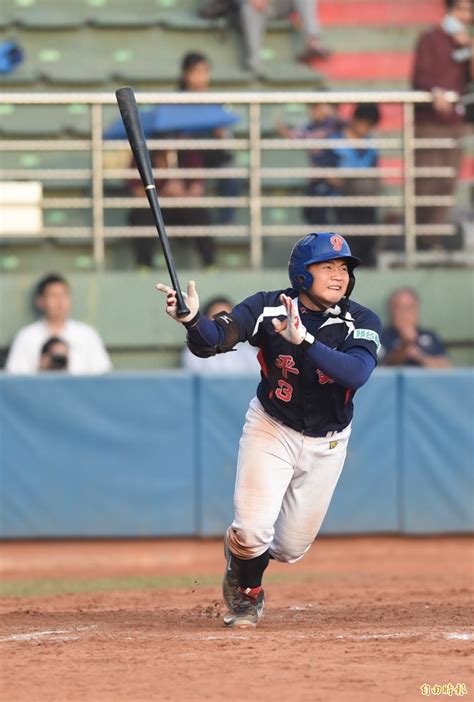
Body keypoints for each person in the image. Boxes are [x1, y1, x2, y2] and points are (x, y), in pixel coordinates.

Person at [157, 231, 382, 627]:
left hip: (327, 442)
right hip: (272, 426)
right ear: (301, 274)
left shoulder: (361, 320)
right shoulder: (269, 307)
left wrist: (306, 340)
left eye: (343, 267)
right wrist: (193, 320)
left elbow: (358, 373)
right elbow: (214, 341)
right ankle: (247, 593)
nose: (338, 275)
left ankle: (242, 558)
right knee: (252, 530)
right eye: (326, 267)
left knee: (290, 547)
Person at [412, 0, 472, 248]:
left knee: (447, 182)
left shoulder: (466, 43)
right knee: (426, 182)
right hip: (429, 122)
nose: (466, 16)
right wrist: (435, 92)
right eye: (462, 10)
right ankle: (417, 238)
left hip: (454, 123)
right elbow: (419, 77)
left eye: (469, 11)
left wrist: (469, 48)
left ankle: (431, 239)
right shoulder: (430, 38)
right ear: (448, 10)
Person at [303, 103, 381, 266]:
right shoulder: (333, 142)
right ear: (355, 120)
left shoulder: (370, 146)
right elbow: (323, 171)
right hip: (338, 200)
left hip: (364, 203)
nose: (366, 128)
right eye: (364, 123)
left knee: (367, 241)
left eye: (370, 125)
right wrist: (349, 186)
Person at [5, 274, 112, 374]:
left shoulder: (87, 335)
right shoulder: (26, 336)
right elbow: (14, 379)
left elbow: (103, 375)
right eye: (53, 295)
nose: (60, 301)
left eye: (64, 295)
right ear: (41, 301)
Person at [127, 147, 214, 269]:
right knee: (140, 216)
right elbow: (137, 192)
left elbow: (197, 190)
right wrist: (163, 192)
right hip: (155, 209)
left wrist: (181, 194)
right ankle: (144, 265)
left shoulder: (189, 156)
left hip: (183, 207)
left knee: (201, 215)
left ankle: (209, 264)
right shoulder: (141, 156)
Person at [239, 0, 331, 75]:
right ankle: (255, 63)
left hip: (279, 4)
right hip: (251, 7)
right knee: (249, 6)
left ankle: (313, 43)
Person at [182, 296, 258, 373]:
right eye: (217, 318)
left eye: (227, 318)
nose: (223, 323)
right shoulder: (195, 351)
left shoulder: (247, 351)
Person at [379, 288, 451, 368]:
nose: (405, 313)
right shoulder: (381, 337)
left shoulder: (429, 336)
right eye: (399, 307)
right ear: (391, 311)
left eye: (409, 307)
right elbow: (384, 367)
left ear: (417, 309)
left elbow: (445, 367)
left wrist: (420, 356)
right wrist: (405, 345)